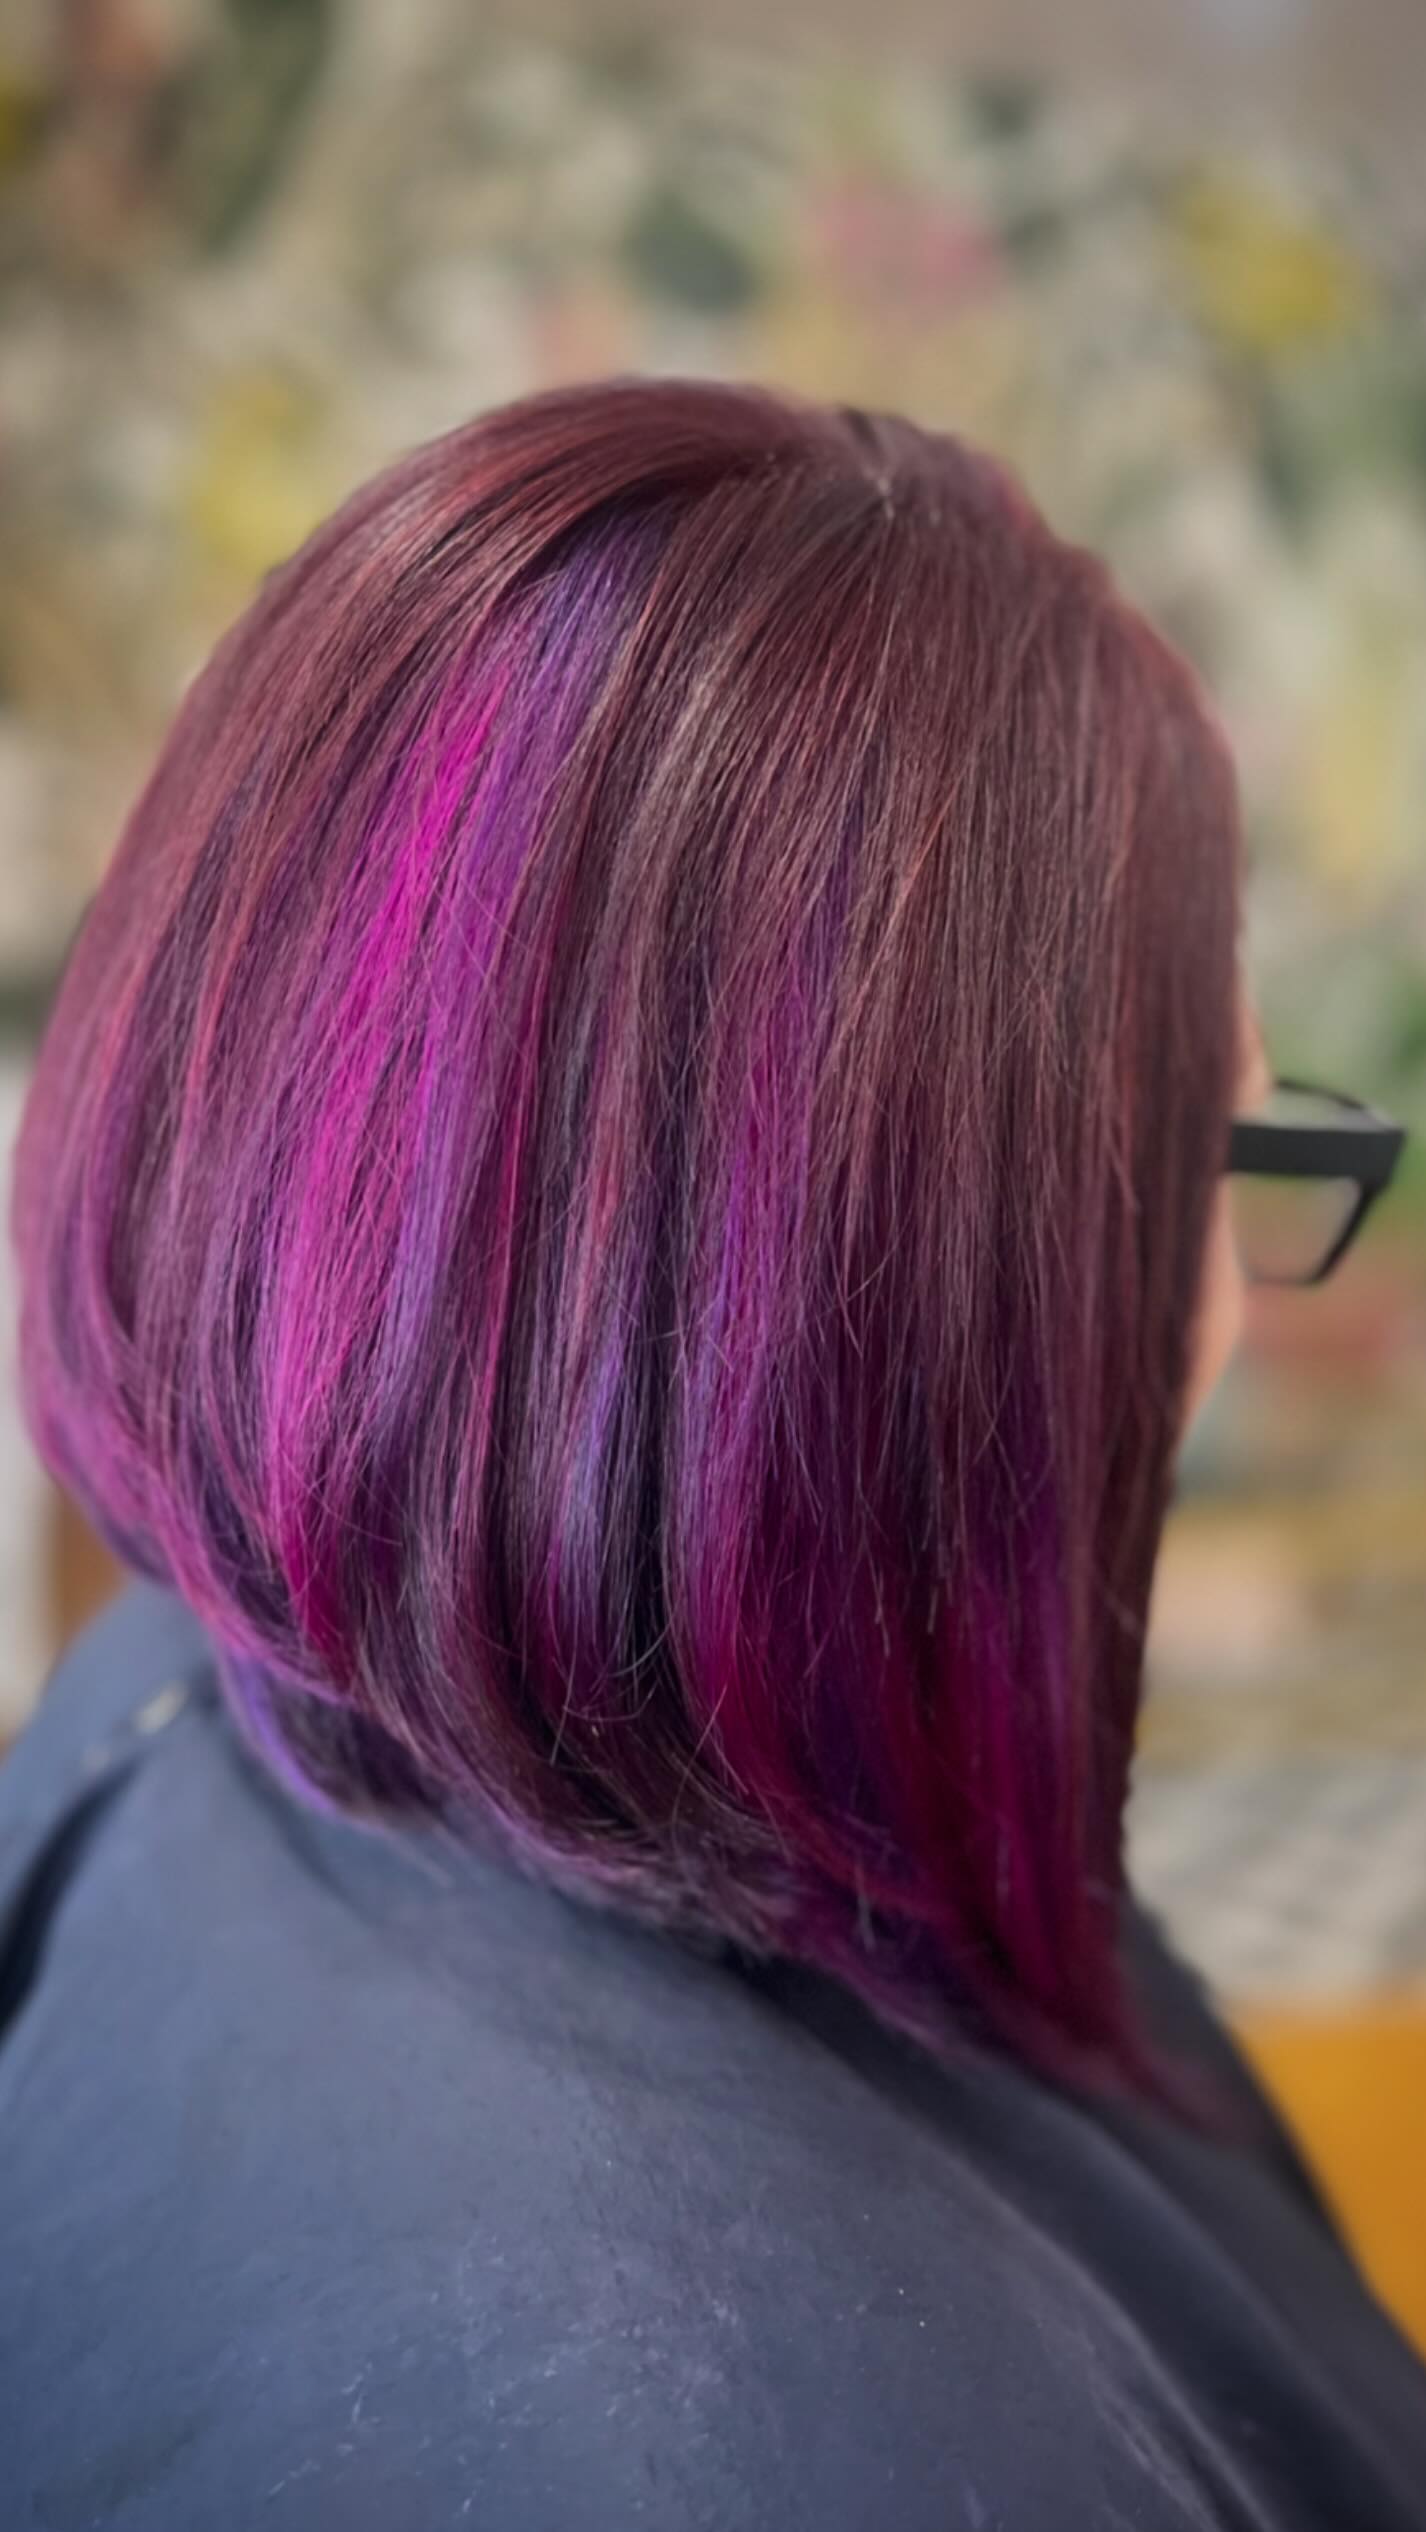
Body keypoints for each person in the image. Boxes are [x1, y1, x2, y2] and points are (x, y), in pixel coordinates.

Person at [1, 377, 1420, 2530]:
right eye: (1223, 1160)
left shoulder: (169, 1702)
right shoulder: (765, 2450)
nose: (1229, 1304)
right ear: (932, 1319)